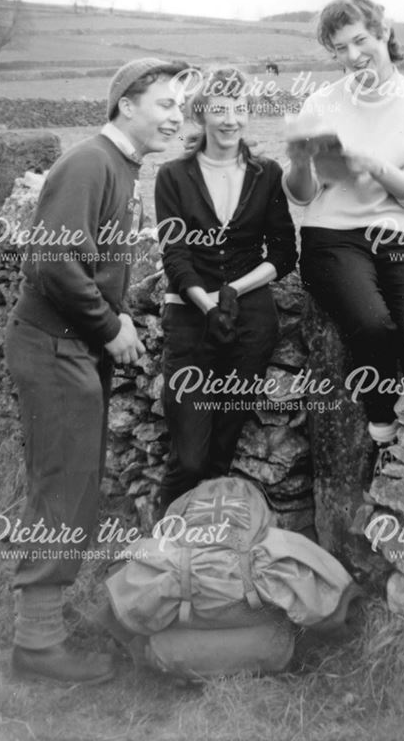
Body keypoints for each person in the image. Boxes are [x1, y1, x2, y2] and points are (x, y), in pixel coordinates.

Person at [4, 57, 187, 684]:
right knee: (63, 485)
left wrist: (109, 323)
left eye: (180, 107)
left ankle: (42, 629)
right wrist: (111, 327)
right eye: (165, 104)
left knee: (72, 482)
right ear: (127, 103)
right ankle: (37, 646)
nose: (176, 117)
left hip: (69, 345)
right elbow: (55, 262)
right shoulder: (90, 162)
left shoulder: (121, 166)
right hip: (55, 346)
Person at [283, 0, 404, 458]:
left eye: (359, 41)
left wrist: (376, 166)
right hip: (331, 238)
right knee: (373, 326)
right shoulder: (321, 103)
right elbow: (304, 195)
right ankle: (384, 428)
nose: (352, 56)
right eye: (339, 49)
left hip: (399, 235)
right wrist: (297, 164)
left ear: (384, 32)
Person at [154, 68, 297, 513]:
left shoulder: (266, 174)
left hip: (251, 324)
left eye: (239, 109)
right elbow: (175, 256)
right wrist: (206, 300)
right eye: (219, 109)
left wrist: (233, 291)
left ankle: (202, 556)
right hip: (191, 319)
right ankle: (162, 551)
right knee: (189, 457)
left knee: (220, 453)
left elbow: (284, 252)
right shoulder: (173, 176)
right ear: (201, 115)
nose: (231, 119)